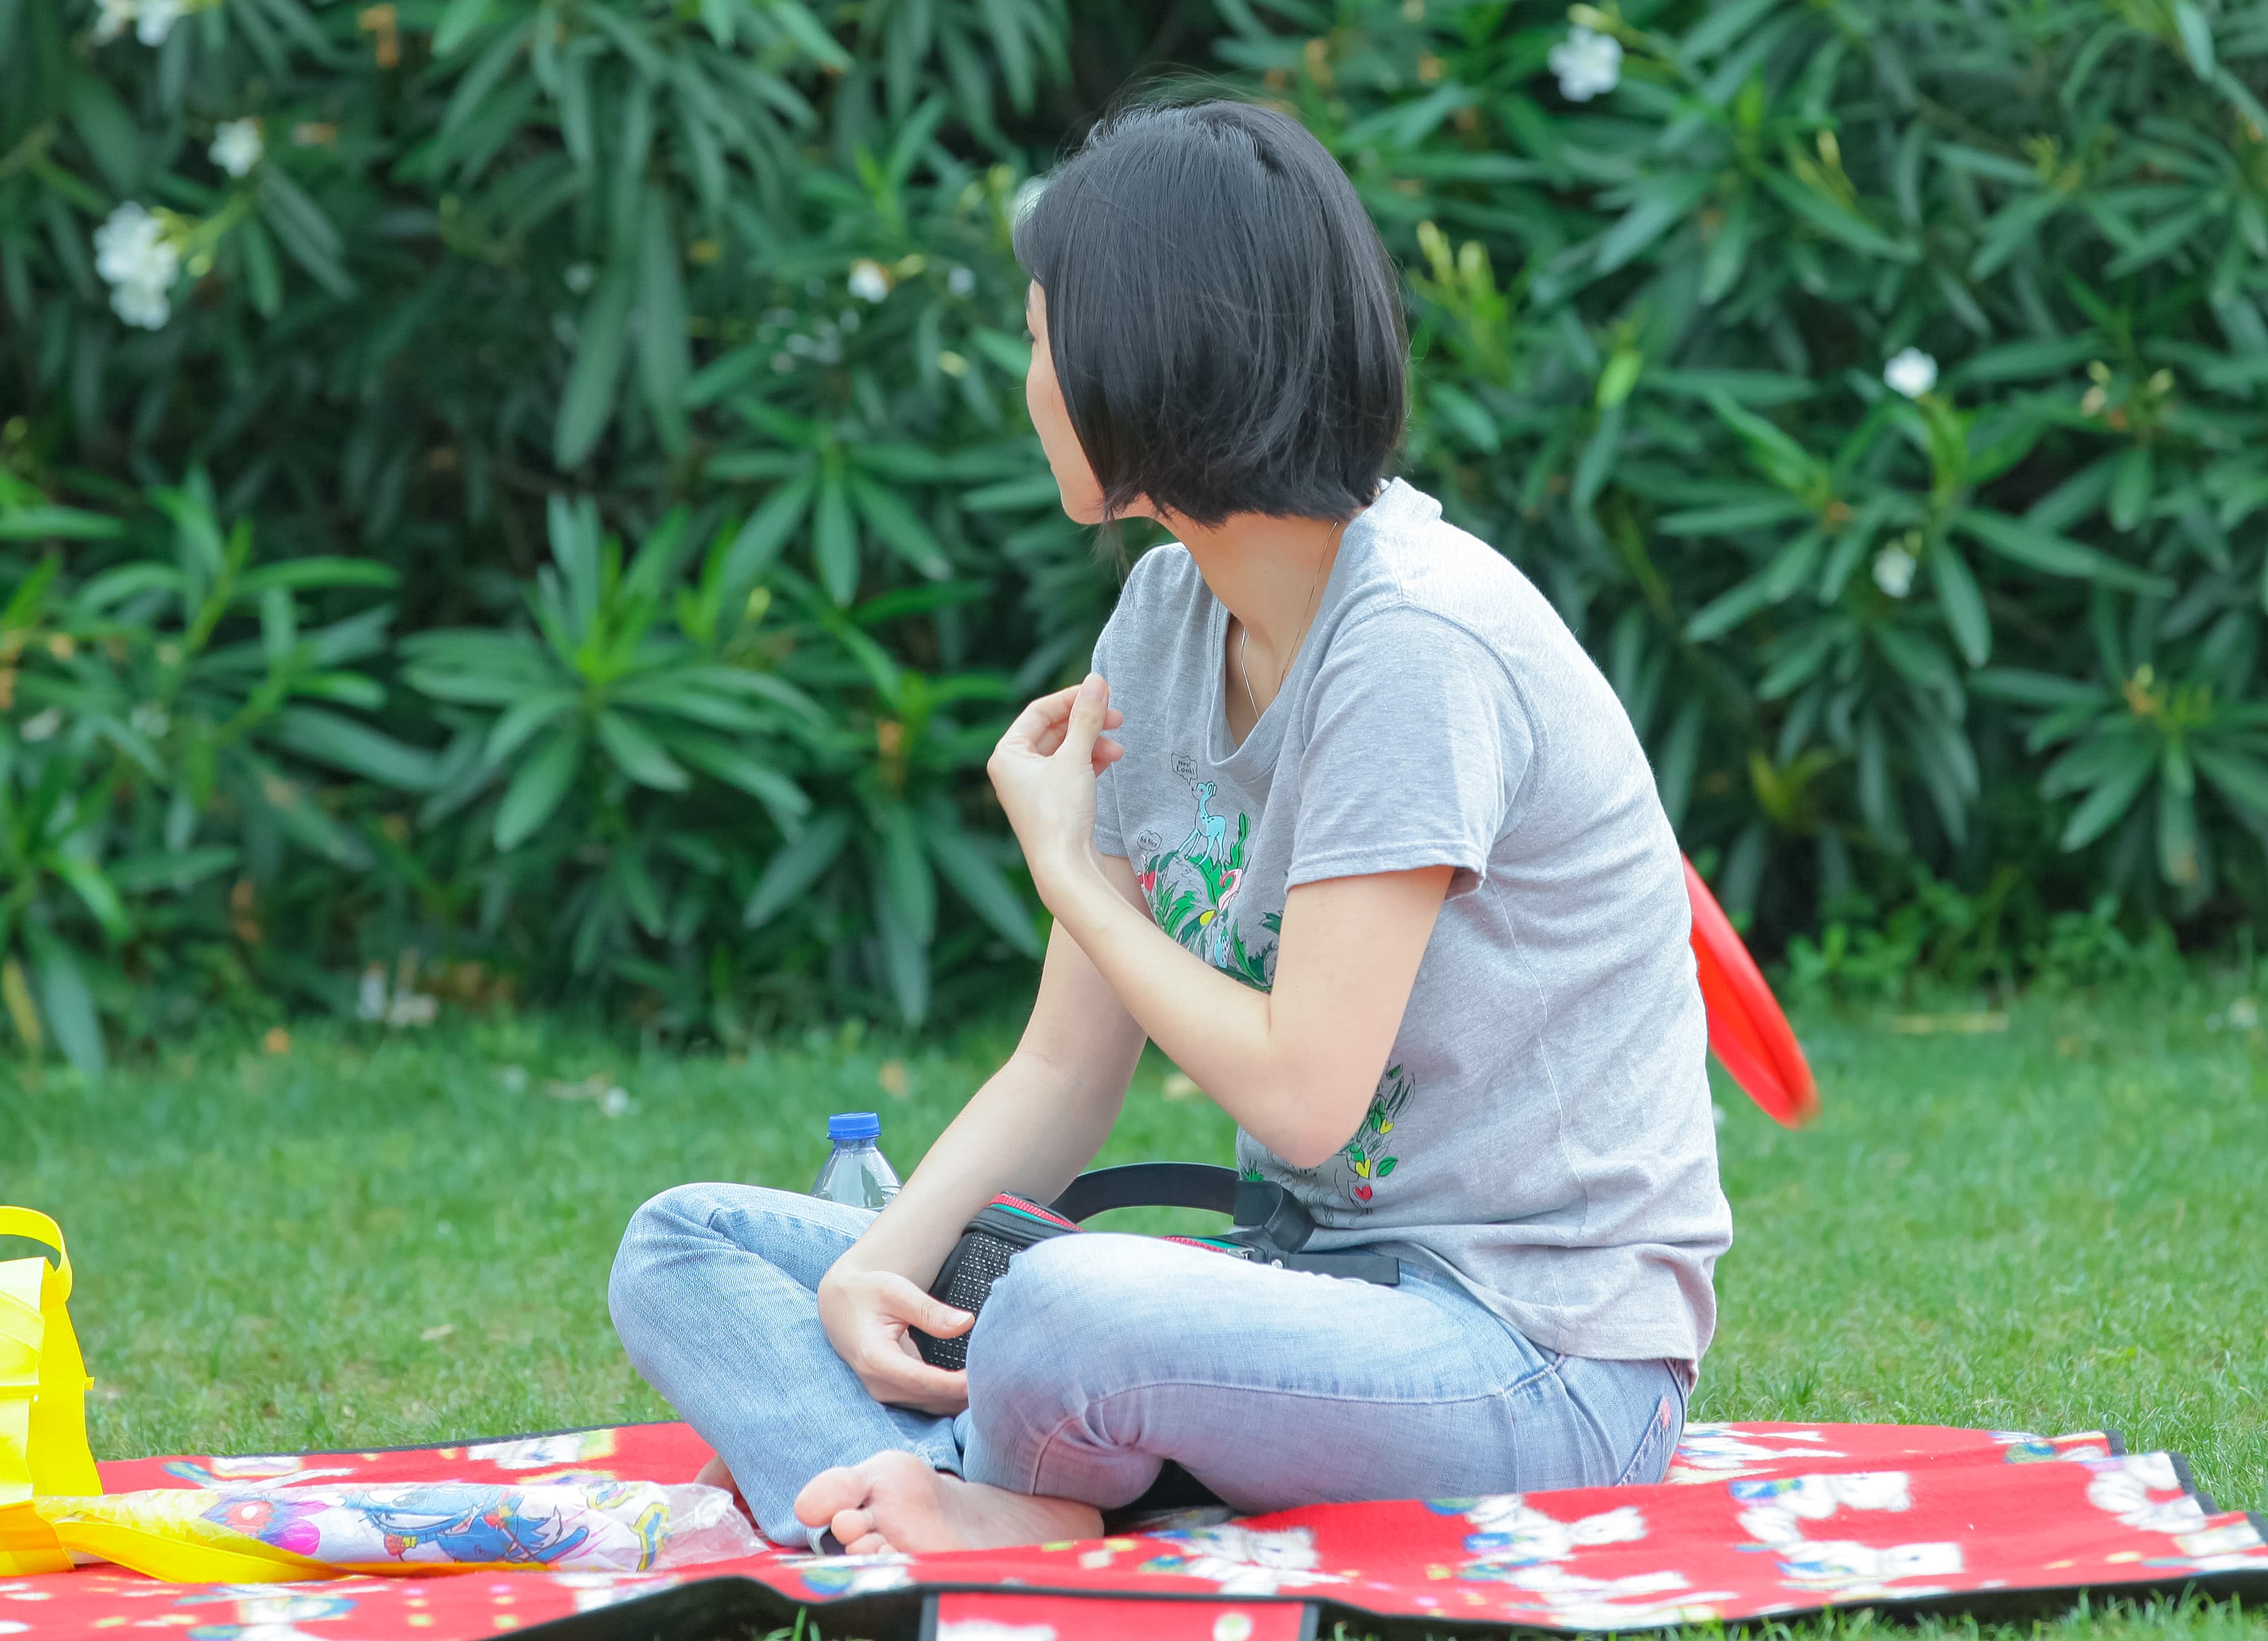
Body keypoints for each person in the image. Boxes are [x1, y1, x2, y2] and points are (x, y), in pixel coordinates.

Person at [607, 98, 1732, 1557]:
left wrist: (1074, 873)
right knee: (686, 1248)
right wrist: (874, 1272)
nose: (1027, 385)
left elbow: (1304, 1097)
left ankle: (966, 1491)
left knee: (1078, 1309)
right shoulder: (1162, 617)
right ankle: (919, 1493)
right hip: (1300, 1295)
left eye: (1036, 339)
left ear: (1150, 357)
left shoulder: (1417, 646)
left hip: (1541, 1363)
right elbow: (1068, 1065)